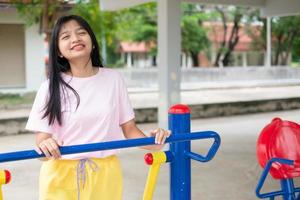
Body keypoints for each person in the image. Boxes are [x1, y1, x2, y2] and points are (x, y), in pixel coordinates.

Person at [25, 15, 171, 200]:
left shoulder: (113, 79)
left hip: (106, 173)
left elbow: (130, 130)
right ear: (59, 51)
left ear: (92, 43)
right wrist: (45, 145)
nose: (75, 39)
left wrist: (155, 141)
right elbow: (42, 145)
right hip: (59, 176)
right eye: (66, 37)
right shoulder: (50, 86)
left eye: (81, 33)